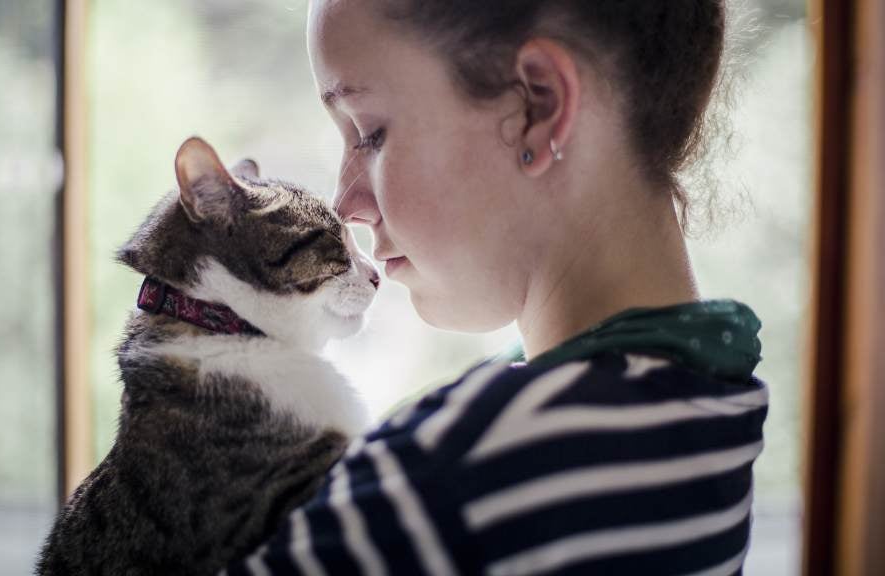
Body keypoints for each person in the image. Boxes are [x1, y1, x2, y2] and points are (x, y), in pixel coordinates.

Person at [222, 1, 767, 574]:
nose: (345, 204)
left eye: (370, 133)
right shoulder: (716, 397)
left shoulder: (463, 470)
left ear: (539, 104)